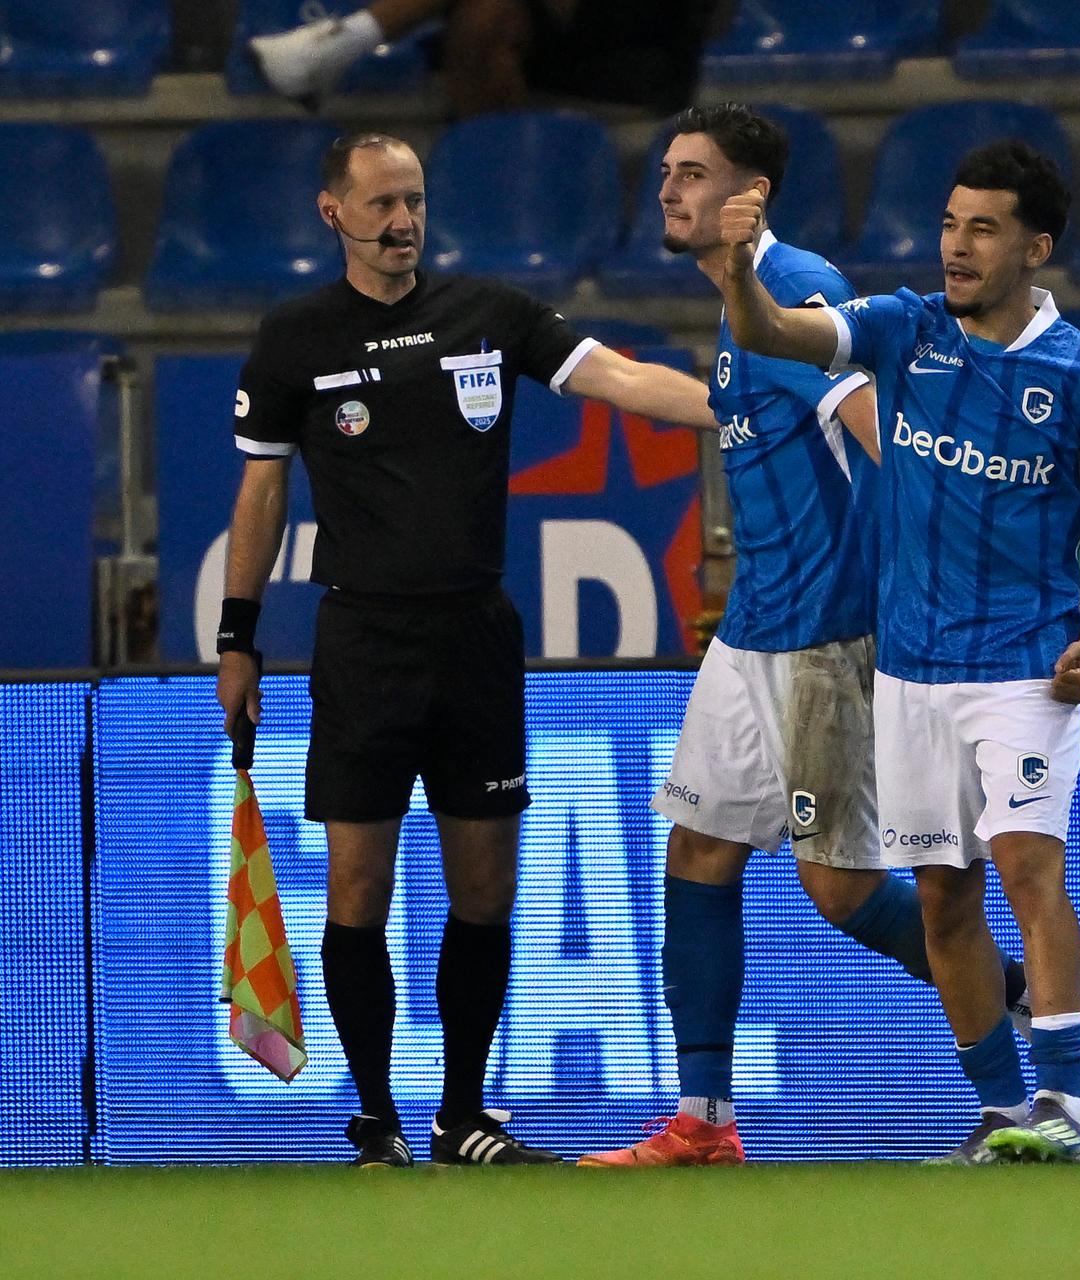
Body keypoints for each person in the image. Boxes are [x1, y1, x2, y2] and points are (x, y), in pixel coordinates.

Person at [575, 104, 1080, 1169]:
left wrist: (934, 565)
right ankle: (705, 1120)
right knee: (698, 850)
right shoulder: (733, 298)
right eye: (665, 172)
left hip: (829, 635)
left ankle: (1055, 1024)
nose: (669, 192)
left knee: (843, 887)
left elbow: (878, 427)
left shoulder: (799, 281)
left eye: (692, 175)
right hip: (753, 626)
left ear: (748, 194)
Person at [216, 130, 716, 1167]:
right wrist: (237, 637)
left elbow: (618, 379)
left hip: (477, 635)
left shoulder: (489, 314)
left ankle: (461, 1115)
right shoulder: (295, 337)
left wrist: (739, 408)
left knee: (485, 889)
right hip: (361, 638)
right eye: (381, 204)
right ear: (333, 213)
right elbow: (261, 491)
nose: (402, 222)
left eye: (415, 201)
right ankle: (375, 1120)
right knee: (359, 889)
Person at [712, 140, 1080, 1164]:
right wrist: (739, 272)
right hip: (909, 669)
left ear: (1036, 246)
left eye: (984, 228)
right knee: (946, 897)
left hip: (1024, 668)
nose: (956, 246)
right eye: (951, 224)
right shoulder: (903, 329)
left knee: (1026, 865)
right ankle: (1003, 1110)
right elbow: (772, 327)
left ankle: (1059, 1101)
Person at [247, 0, 702, 118]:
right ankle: (331, 48)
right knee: (481, 16)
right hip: (527, 54)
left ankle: (333, 45)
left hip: (633, 58)